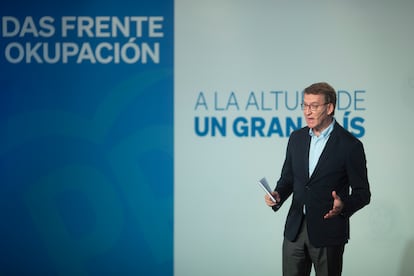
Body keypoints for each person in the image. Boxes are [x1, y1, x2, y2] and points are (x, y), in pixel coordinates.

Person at [264, 82, 371, 276]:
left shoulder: (350, 145)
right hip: (294, 230)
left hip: (328, 232)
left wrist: (343, 205)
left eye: (314, 106)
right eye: (305, 105)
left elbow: (363, 194)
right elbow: (288, 178)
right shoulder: (296, 138)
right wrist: (278, 194)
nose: (308, 112)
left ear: (329, 108)